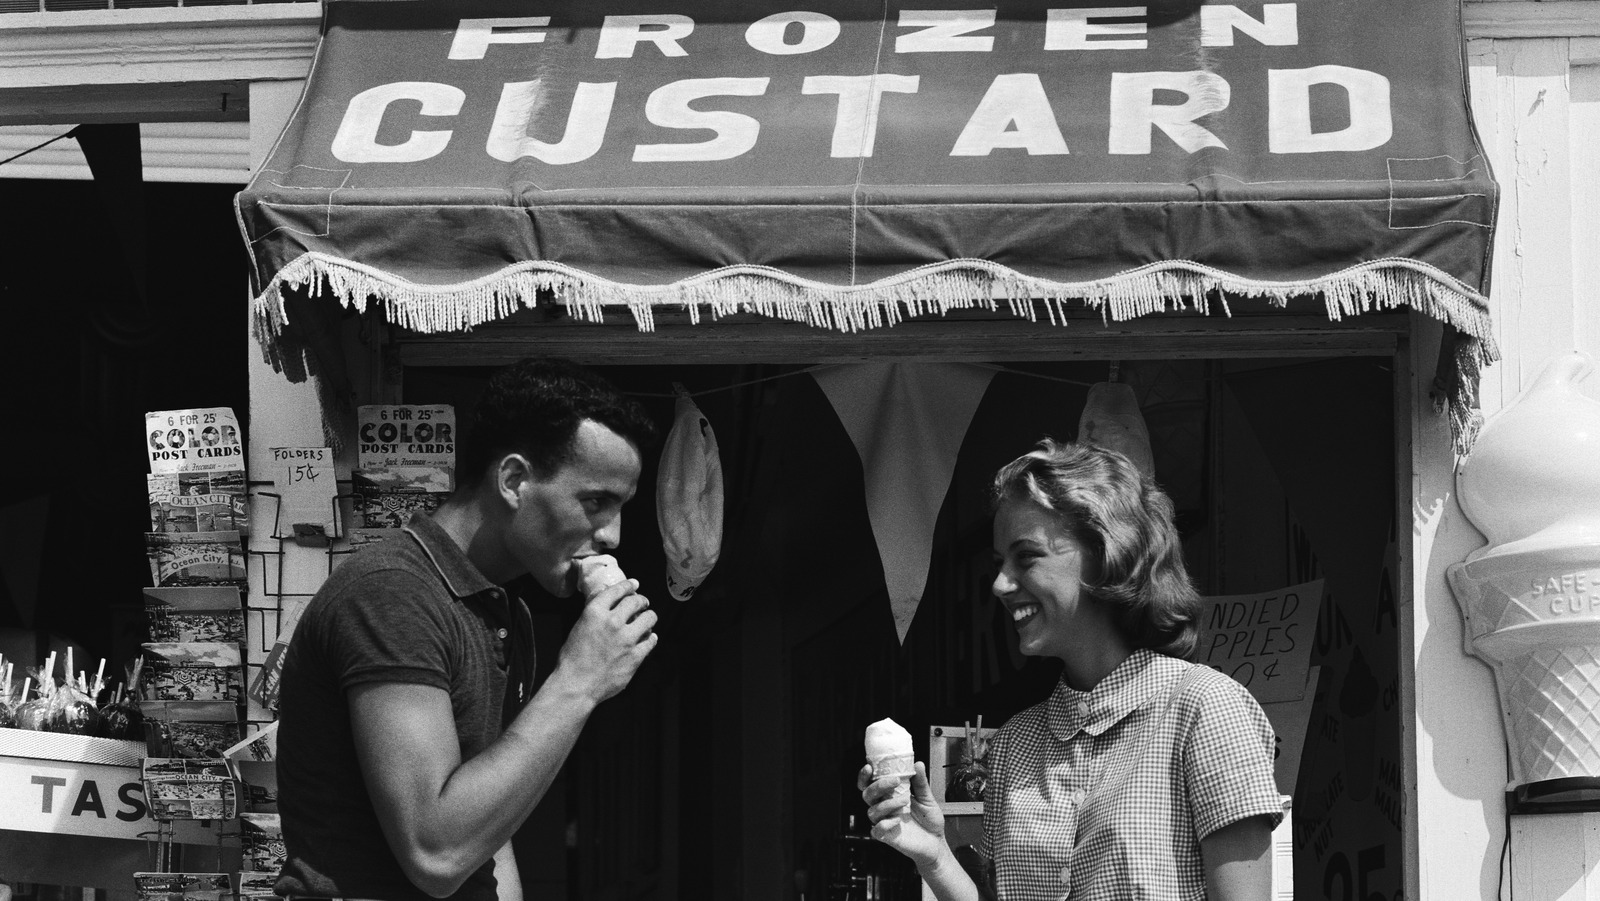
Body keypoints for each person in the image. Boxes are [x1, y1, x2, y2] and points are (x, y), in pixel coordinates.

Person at [274, 358, 659, 901]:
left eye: (622, 507)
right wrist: (579, 681)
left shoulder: (504, 612)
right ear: (514, 481)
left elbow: (486, 824)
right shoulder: (394, 593)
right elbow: (436, 852)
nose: (614, 535)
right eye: (596, 502)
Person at [860, 439, 1283, 901]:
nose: (1001, 584)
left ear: (1106, 555)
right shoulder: (1015, 746)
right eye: (1000, 563)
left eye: (1027, 556)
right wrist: (934, 854)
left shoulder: (1205, 709)